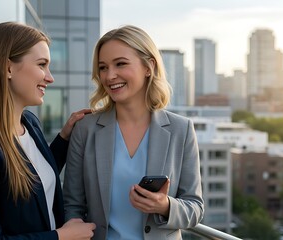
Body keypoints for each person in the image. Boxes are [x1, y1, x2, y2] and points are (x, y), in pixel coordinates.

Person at [0, 22, 95, 240]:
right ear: (8, 68)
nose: (50, 77)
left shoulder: (30, 123)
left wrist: (63, 139)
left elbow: (30, 180)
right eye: (42, 64)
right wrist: (60, 236)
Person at [63, 25, 204, 240]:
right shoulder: (85, 129)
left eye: (120, 64)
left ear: (149, 66)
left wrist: (165, 206)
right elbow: (72, 205)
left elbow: (195, 208)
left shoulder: (180, 129)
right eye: (103, 67)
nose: (110, 76)